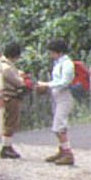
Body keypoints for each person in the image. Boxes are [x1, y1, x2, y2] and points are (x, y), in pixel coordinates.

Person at [35, 38, 76, 166]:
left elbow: (64, 82)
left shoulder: (67, 64)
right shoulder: (58, 63)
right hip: (57, 97)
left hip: (65, 97)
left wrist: (47, 85)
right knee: (57, 125)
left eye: (52, 52)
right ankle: (62, 150)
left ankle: (68, 153)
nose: (50, 55)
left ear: (58, 52)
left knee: (59, 127)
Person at [0, 41, 31, 159]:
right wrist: (25, 80)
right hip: (10, 96)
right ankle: (6, 147)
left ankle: (7, 146)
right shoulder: (7, 68)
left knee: (9, 122)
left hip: (6, 96)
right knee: (10, 122)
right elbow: (18, 82)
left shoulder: (3, 64)